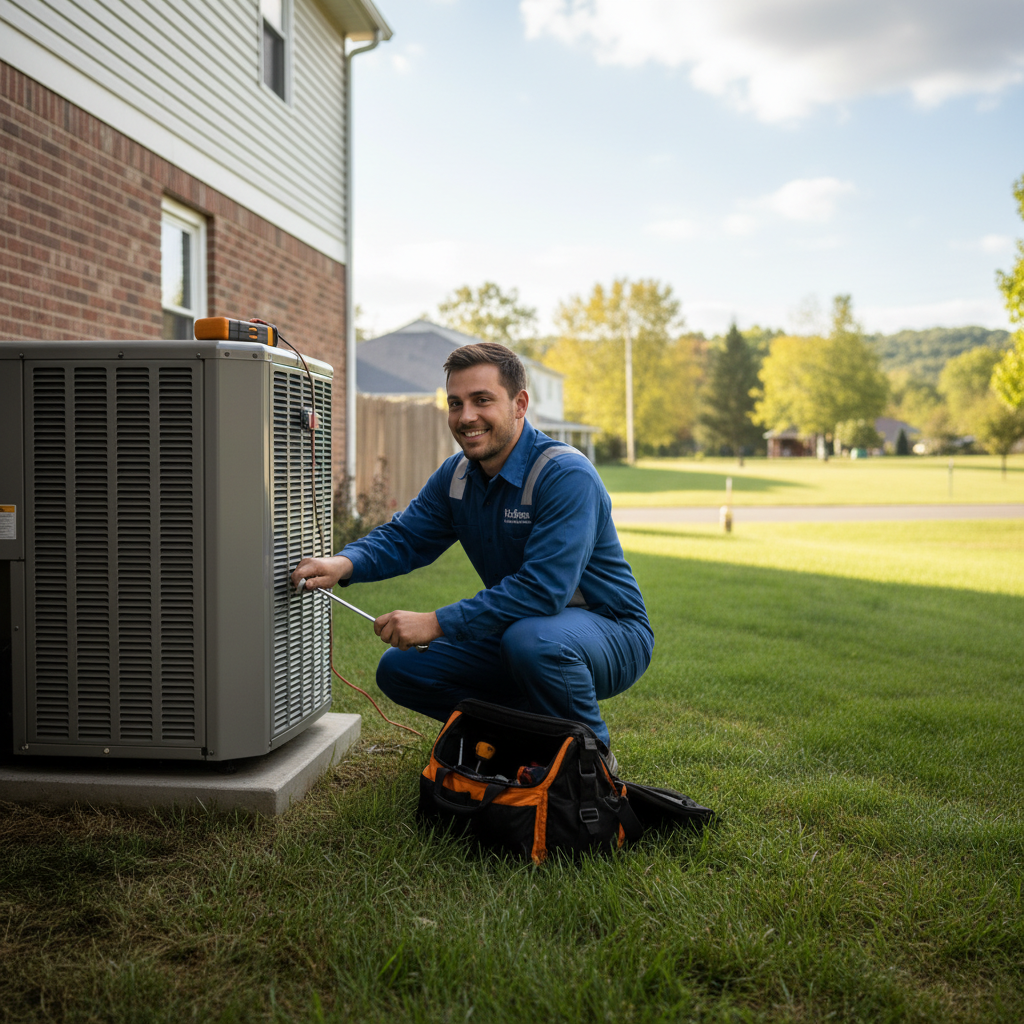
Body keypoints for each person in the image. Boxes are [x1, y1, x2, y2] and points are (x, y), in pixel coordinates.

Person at [290, 342, 653, 766]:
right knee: (401, 670)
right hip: (526, 630)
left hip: (611, 632)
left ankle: (589, 764)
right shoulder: (457, 475)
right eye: (455, 403)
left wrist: (435, 622)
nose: (466, 417)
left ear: (520, 404)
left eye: (482, 400)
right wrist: (343, 563)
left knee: (531, 642)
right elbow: (406, 537)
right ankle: (521, 743)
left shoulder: (565, 476)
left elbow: (542, 591)